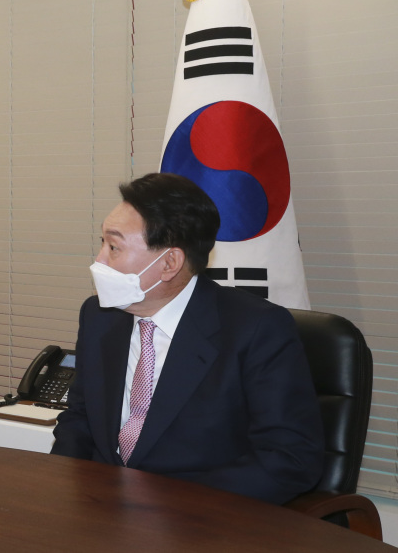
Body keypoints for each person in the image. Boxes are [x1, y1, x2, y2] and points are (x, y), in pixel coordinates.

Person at [51, 173, 323, 505]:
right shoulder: (99, 316)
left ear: (169, 263)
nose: (99, 260)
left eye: (113, 246)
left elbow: (290, 458)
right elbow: (79, 418)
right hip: (101, 508)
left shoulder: (257, 330)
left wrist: (173, 507)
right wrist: (64, 491)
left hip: (201, 518)